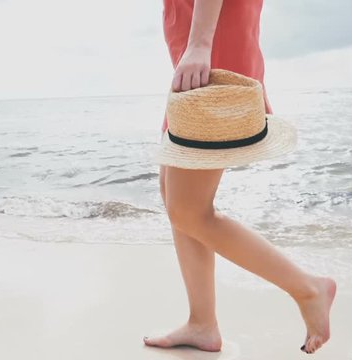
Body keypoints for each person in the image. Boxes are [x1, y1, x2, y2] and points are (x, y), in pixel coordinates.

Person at [142, 0, 337, 354]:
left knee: (188, 209)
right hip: (198, 45)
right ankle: (202, 323)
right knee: (174, 195)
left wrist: (200, 44)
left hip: (211, 46)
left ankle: (309, 288)